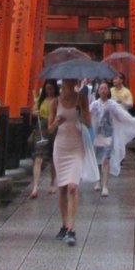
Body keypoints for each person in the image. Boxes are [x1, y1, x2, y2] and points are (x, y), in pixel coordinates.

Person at [48, 77, 91, 246]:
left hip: (76, 146)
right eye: (66, 80)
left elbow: (89, 122)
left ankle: (71, 229)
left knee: (73, 186)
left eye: (71, 80)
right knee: (62, 188)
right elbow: (49, 129)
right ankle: (64, 224)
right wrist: (56, 122)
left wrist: (82, 112)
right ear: (62, 82)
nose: (68, 83)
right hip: (61, 146)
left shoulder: (82, 98)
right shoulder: (55, 102)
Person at [89, 81, 135, 196]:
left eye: (105, 88)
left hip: (109, 135)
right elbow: (88, 116)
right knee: (97, 159)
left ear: (108, 91)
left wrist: (132, 121)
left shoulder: (112, 104)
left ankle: (105, 185)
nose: (103, 90)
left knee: (106, 159)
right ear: (98, 91)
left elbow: (122, 115)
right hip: (97, 135)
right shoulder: (94, 104)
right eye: (101, 88)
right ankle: (97, 180)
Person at [30, 79, 57, 198]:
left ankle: (52, 182)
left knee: (53, 156)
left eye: (51, 89)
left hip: (54, 128)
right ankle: (35, 185)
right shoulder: (41, 100)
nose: (49, 91)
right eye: (47, 89)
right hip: (41, 128)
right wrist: (35, 113)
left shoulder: (57, 101)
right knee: (38, 156)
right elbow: (33, 111)